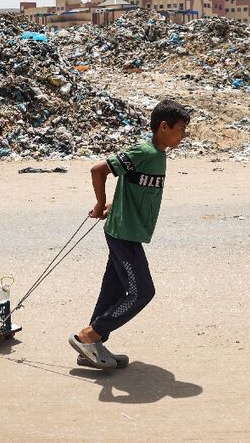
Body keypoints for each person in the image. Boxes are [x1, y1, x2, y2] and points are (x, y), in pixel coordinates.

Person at [70, 99, 190, 368]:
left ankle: (90, 348)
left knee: (112, 290)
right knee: (142, 292)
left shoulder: (157, 156)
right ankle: (89, 335)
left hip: (127, 231)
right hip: (123, 233)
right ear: (163, 126)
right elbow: (99, 170)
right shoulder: (145, 151)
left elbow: (130, 181)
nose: (183, 135)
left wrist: (115, 202)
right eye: (180, 128)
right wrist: (100, 203)